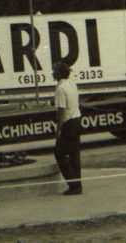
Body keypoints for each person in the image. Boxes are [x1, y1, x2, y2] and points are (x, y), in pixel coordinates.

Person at [54, 60, 83, 195]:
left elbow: (61, 110)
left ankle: (73, 184)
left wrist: (59, 129)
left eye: (54, 71)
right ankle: (77, 184)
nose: (52, 73)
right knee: (74, 154)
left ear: (59, 73)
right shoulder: (72, 83)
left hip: (68, 123)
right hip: (77, 120)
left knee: (59, 154)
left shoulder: (60, 88)